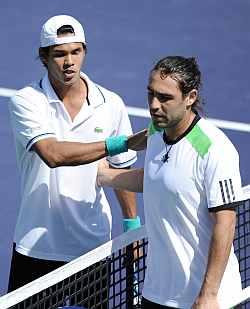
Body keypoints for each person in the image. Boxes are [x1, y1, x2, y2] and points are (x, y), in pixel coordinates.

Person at [7, 14, 145, 305]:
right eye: (59, 54)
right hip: (37, 246)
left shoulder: (111, 104)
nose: (69, 61)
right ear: (44, 58)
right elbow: (53, 154)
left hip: (92, 248)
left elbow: (121, 168)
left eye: (76, 51)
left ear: (84, 52)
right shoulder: (26, 101)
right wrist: (118, 143)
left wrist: (132, 227)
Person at [97, 56, 244, 308]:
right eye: (150, 95)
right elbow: (160, 180)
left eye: (164, 98)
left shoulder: (214, 149)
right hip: (157, 293)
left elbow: (226, 222)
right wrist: (104, 176)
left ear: (190, 97)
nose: (154, 105)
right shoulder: (156, 132)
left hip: (203, 298)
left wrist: (208, 295)